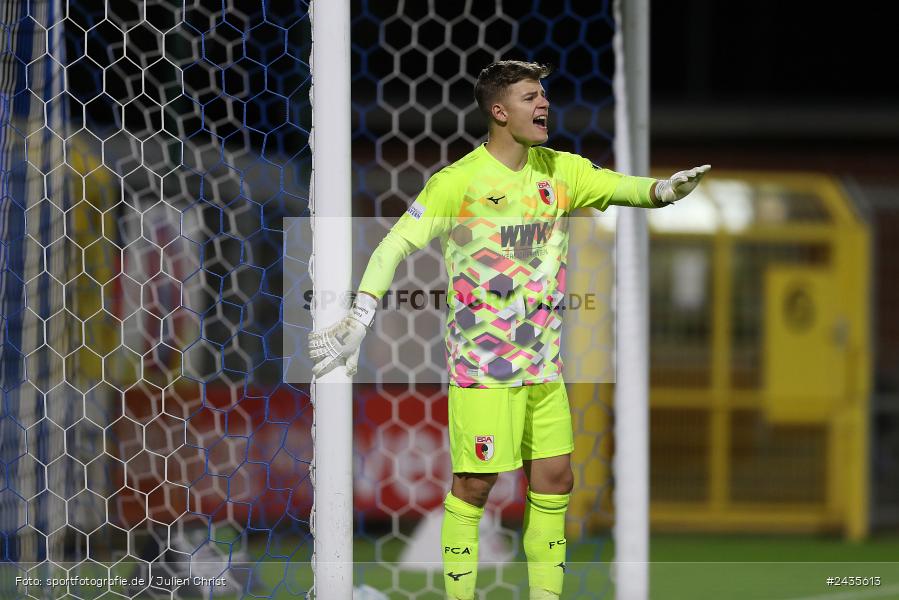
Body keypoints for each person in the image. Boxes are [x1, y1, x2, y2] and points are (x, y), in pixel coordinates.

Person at [308, 60, 709, 600]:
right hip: (483, 370)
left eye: (543, 94)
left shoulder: (561, 171)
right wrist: (360, 316)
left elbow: (621, 188)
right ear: (499, 111)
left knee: (556, 480)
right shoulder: (458, 183)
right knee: (475, 485)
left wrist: (663, 190)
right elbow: (394, 244)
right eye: (529, 97)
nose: (543, 104)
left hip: (544, 368)